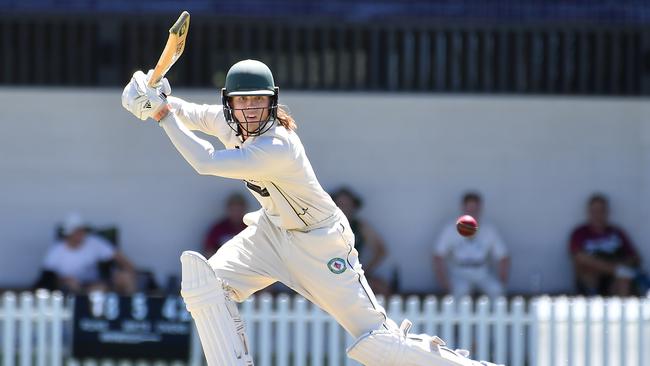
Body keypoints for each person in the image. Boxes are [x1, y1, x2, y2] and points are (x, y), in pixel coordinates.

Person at [121, 59, 500, 365]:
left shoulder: (277, 146)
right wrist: (158, 96)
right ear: (230, 102)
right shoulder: (227, 120)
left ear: (272, 101)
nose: (250, 108)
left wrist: (161, 115)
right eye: (243, 100)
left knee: (378, 343)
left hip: (320, 244)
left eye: (258, 100)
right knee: (206, 288)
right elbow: (190, 112)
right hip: (270, 234)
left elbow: (204, 161)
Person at [433, 192, 509, 300]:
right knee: (460, 291)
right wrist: (443, 281)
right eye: (469, 209)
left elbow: (503, 256)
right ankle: (457, 317)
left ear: (480, 209)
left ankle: (494, 317)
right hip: (459, 272)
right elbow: (438, 255)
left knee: (496, 290)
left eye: (475, 209)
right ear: (463, 208)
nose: (472, 213)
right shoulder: (450, 229)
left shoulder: (489, 230)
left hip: (482, 272)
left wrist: (502, 281)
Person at [40, 213, 137, 295]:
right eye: (77, 231)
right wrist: (64, 280)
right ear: (68, 233)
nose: (81, 234)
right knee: (73, 287)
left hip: (95, 284)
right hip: (69, 289)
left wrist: (130, 272)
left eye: (82, 230)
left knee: (120, 280)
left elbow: (119, 257)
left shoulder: (94, 242)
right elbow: (47, 277)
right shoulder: (56, 250)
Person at [569, 193, 642, 296]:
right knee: (586, 269)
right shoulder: (580, 233)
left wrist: (621, 264)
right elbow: (578, 257)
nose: (598, 214)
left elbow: (635, 258)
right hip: (593, 275)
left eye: (601, 210)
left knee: (624, 278)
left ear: (607, 212)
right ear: (589, 212)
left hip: (614, 278)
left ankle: (621, 310)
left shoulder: (617, 232)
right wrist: (612, 268)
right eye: (594, 211)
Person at [332, 186, 391, 297]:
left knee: (381, 287)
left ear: (354, 207)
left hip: (353, 275)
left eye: (347, 205)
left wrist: (364, 271)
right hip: (329, 274)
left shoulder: (360, 227)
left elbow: (381, 250)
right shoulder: (325, 227)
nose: (343, 209)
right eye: (339, 204)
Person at [203, 193, 248, 258]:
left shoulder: (250, 228)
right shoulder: (218, 229)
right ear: (228, 209)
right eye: (233, 210)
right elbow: (208, 251)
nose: (236, 213)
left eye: (239, 210)